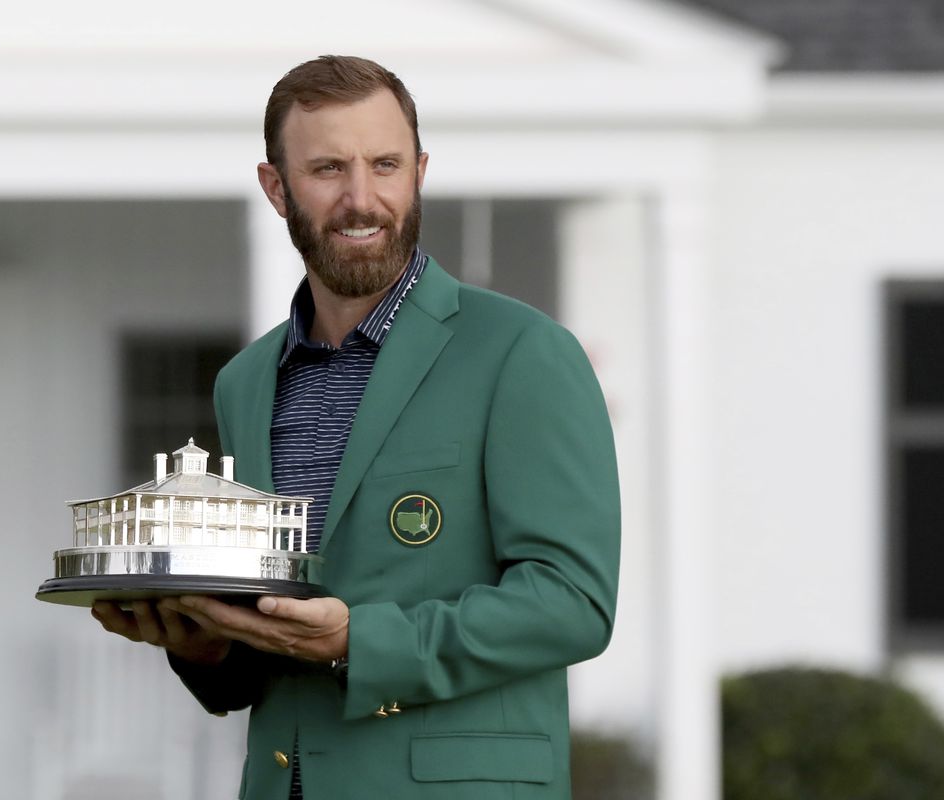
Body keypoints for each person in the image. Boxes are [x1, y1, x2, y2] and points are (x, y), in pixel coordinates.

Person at [93, 55, 620, 799]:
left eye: (385, 165)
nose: (361, 198)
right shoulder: (244, 383)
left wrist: (358, 641)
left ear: (420, 172)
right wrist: (209, 646)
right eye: (328, 169)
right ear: (276, 188)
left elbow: (574, 603)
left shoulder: (522, 353)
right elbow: (276, 620)